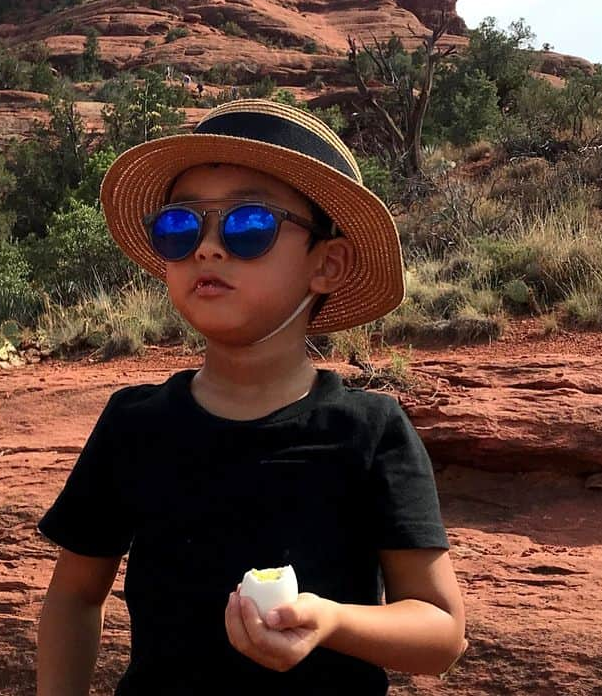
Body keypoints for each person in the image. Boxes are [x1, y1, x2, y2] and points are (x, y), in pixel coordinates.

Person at [36, 99, 465, 694]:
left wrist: (331, 620)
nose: (207, 248)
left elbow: (442, 632)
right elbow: (74, 599)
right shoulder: (134, 425)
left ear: (328, 263)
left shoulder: (369, 431)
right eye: (180, 227)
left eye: (248, 225)